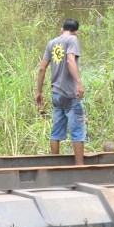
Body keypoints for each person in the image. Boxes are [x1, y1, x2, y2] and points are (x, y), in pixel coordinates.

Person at [34, 18, 87, 165]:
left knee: (56, 131)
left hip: (56, 94)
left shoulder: (52, 43)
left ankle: (55, 166)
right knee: (77, 130)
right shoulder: (72, 40)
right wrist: (79, 83)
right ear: (76, 32)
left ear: (61, 29)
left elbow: (42, 68)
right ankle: (80, 167)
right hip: (70, 94)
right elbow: (70, 60)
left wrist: (39, 92)